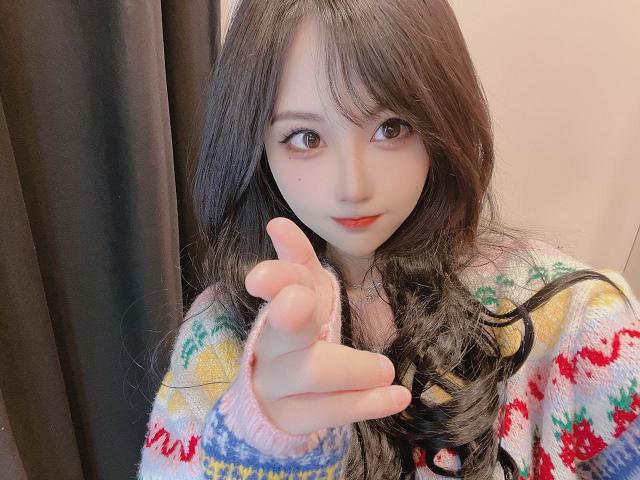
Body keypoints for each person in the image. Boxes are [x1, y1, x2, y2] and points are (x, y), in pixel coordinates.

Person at [136, 1, 640, 479]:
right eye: (306, 138)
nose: (353, 187)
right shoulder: (218, 334)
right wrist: (261, 448)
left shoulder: (573, 318)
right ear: (255, 145)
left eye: (391, 128)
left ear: (443, 121)